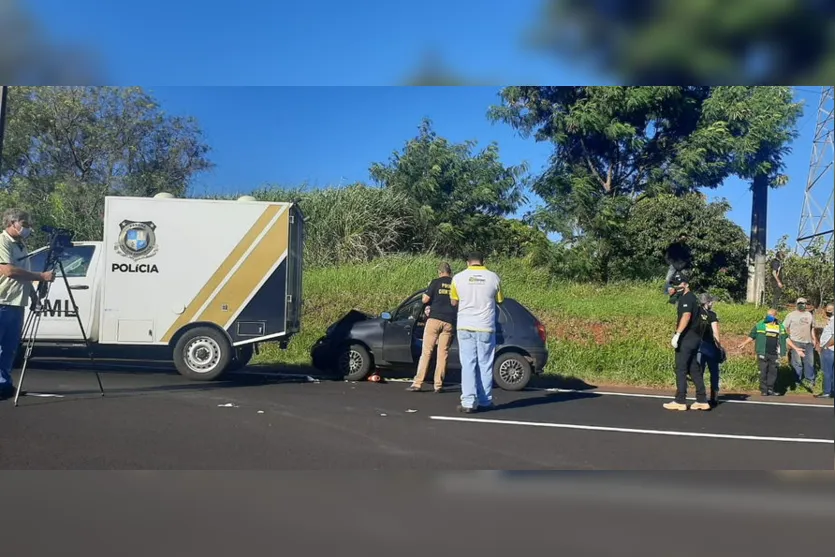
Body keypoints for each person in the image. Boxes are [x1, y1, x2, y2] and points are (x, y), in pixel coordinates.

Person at [0, 208, 55, 400]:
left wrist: (33, 296)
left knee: (10, 348)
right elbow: (9, 271)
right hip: (2, 302)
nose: (27, 229)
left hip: (17, 303)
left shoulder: (21, 245)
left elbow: (24, 274)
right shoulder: (3, 242)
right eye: (24, 225)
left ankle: (4, 385)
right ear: (11, 223)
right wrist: (41, 276)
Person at [449, 252, 503, 413]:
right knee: (485, 364)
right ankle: (485, 400)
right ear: (483, 261)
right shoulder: (494, 277)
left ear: (468, 262)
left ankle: (468, 402)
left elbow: (453, 301)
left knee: (468, 363)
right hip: (485, 326)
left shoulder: (458, 278)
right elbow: (500, 300)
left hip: (465, 325)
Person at [664, 272, 710, 411]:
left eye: (679, 284)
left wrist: (677, 334)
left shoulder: (686, 298)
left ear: (686, 284)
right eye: (674, 284)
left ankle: (680, 400)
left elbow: (686, 315)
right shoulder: (693, 298)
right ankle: (702, 399)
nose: (676, 286)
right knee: (693, 368)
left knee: (681, 368)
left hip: (687, 338)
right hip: (695, 338)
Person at [407, 262, 456, 393]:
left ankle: (417, 383)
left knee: (426, 352)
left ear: (439, 272)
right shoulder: (455, 283)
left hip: (434, 320)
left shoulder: (436, 282)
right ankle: (438, 385)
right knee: (443, 354)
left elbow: (424, 299)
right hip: (449, 322)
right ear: (450, 272)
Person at [737, 309, 804, 396]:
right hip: (762, 352)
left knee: (773, 372)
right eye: (768, 315)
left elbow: (786, 338)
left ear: (776, 316)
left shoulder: (779, 327)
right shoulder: (760, 325)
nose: (770, 317)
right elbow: (752, 336)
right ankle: (764, 390)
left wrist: (796, 348)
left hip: (775, 353)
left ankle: (770, 389)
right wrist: (744, 343)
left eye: (772, 315)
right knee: (763, 371)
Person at [783, 297, 818, 389]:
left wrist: (814, 339)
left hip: (808, 342)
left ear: (806, 305)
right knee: (797, 363)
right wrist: (789, 338)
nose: (801, 305)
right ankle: (797, 381)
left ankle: (810, 380)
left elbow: (812, 328)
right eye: (799, 303)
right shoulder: (791, 315)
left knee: (810, 362)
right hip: (796, 342)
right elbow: (784, 327)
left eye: (803, 303)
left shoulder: (809, 315)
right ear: (796, 304)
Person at [695, 293, 723, 406]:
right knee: (714, 371)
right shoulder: (712, 315)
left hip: (697, 346)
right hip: (710, 346)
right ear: (708, 302)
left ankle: (700, 396)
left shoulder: (695, 312)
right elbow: (715, 331)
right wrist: (719, 347)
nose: (712, 303)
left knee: (699, 371)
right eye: (711, 301)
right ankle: (714, 396)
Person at [663, 233, 692, 298]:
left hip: (683, 266)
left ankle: (683, 294)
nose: (683, 239)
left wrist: (684, 264)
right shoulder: (673, 246)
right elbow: (667, 256)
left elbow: (689, 258)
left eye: (684, 238)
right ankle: (667, 292)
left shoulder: (687, 248)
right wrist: (670, 264)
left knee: (684, 280)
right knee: (668, 279)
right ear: (679, 238)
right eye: (682, 238)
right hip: (673, 265)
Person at [816, 303, 834, 399]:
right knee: (832, 372)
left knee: (827, 371)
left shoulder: (833, 321)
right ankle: (832, 391)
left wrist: (826, 346)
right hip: (830, 349)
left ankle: (827, 392)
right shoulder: (830, 321)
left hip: (830, 350)